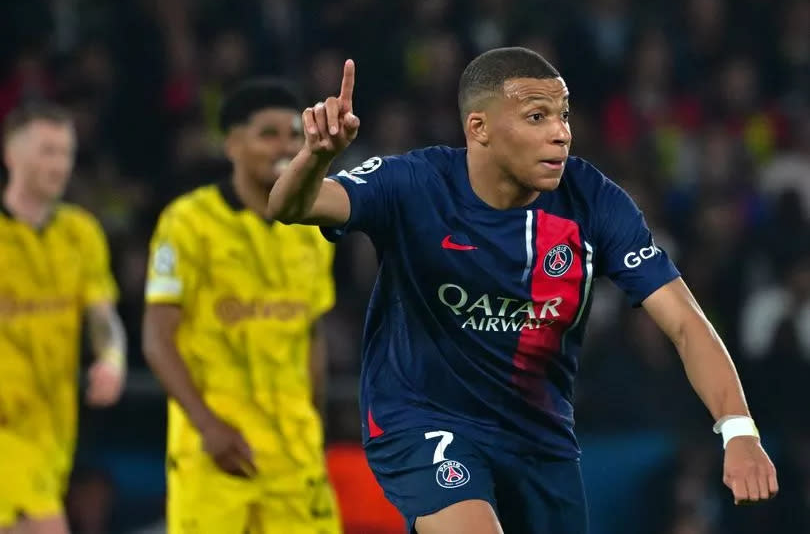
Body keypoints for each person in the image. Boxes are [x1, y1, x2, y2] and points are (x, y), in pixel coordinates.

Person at [267, 47, 779, 534]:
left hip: (539, 439)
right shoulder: (416, 184)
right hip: (424, 419)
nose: (561, 134)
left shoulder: (594, 202)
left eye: (564, 115)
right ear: (480, 128)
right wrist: (315, 158)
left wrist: (738, 430)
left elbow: (685, 321)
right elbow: (291, 206)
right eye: (538, 117)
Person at [142, 79, 341, 534]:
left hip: (295, 453)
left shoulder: (312, 225)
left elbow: (311, 333)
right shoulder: (188, 222)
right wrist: (207, 425)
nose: (285, 146)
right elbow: (157, 336)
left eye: (294, 133)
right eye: (268, 134)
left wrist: (317, 420)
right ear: (231, 143)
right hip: (218, 452)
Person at [0, 102, 126, 534]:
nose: (59, 164)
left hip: (53, 432)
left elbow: (102, 315)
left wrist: (111, 360)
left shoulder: (81, 233)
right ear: (11, 154)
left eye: (65, 152)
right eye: (47, 151)